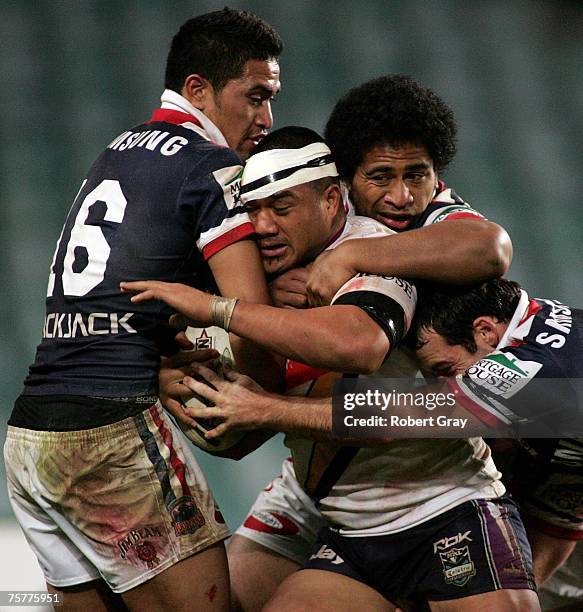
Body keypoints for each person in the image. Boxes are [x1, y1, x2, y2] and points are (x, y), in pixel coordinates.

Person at [124, 124, 539, 610]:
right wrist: (171, 378)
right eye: (252, 210)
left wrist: (227, 321)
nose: (262, 226)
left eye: (280, 208)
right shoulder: (251, 267)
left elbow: (358, 353)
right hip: (335, 507)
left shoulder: (379, 252)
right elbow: (233, 434)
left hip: (443, 502)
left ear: (330, 200)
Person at [4, 9, 282, 611]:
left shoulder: (116, 152)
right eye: (255, 97)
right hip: (111, 436)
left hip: (31, 437)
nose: (266, 120)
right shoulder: (212, 169)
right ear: (198, 90)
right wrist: (264, 406)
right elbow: (253, 317)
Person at [412, 279, 583, 587]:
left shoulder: (534, 365)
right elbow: (557, 519)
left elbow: (393, 421)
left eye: (446, 369)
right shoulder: (537, 322)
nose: (444, 385)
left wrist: (293, 411)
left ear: (485, 331)